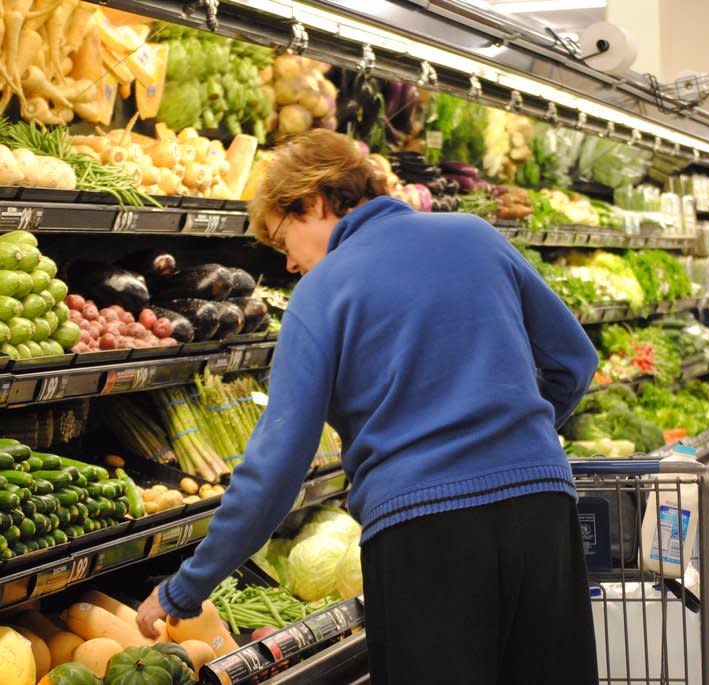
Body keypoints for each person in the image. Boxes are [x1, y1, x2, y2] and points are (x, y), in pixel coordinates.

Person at [135, 129, 600, 684]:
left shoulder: (321, 293)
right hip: (542, 511)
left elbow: (275, 469)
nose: (289, 264)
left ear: (312, 201)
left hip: (424, 536)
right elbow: (574, 359)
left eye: (284, 242)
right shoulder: (475, 236)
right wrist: (511, 438)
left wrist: (185, 589)